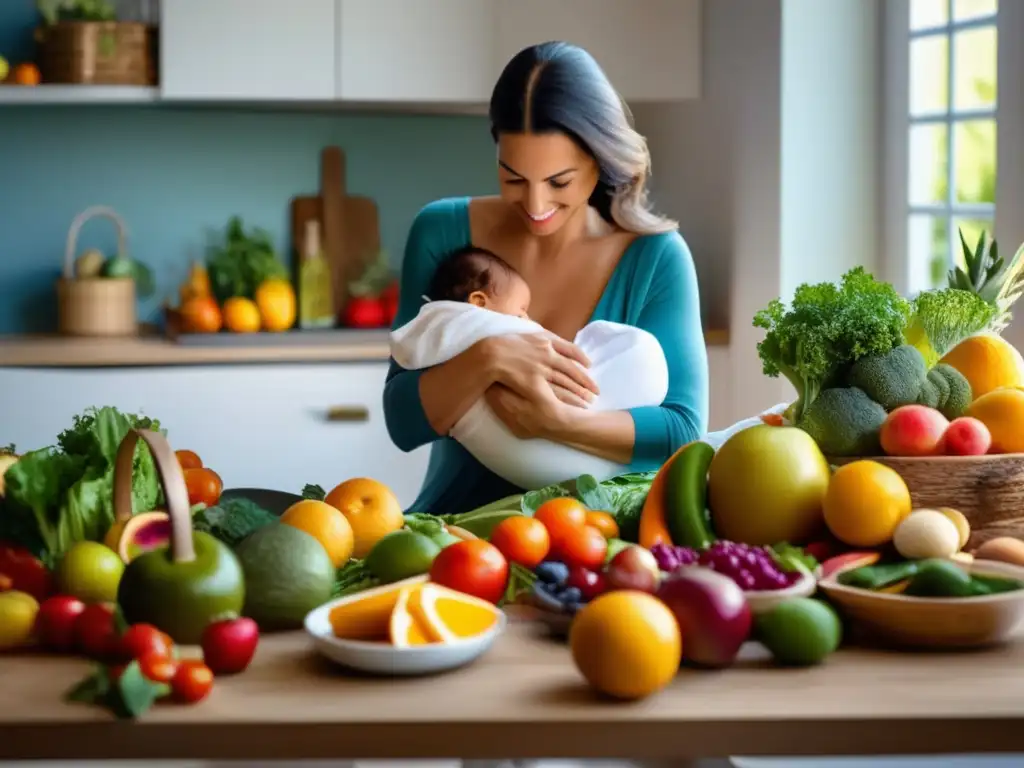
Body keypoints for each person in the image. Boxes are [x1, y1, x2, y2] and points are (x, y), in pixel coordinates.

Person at [384, 40, 710, 516]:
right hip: (456, 533)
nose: (535, 206)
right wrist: (489, 356)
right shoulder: (442, 232)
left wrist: (556, 422)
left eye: (560, 181)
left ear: (599, 161)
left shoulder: (656, 258)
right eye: (513, 178)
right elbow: (402, 421)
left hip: (602, 541)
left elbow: (681, 430)